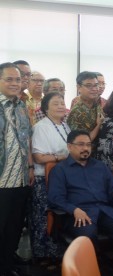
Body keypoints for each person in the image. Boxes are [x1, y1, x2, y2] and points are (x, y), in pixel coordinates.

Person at [48, 130, 113, 276]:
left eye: (88, 145)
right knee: (88, 235)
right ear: (70, 147)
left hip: (104, 210)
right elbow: (55, 198)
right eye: (81, 144)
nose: (86, 148)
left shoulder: (99, 166)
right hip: (78, 214)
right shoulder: (60, 170)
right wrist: (74, 209)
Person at [0, 62, 34, 276]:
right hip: (1, 180)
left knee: (14, 226)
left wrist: (30, 166)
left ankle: (6, 264)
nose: (15, 83)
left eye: (18, 79)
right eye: (9, 79)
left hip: (20, 177)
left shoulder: (22, 106)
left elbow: (27, 138)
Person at [30, 92, 69, 267]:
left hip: (61, 179)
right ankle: (41, 255)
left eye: (62, 103)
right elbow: (38, 157)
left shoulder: (66, 126)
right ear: (46, 108)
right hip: (43, 179)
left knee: (58, 218)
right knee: (42, 217)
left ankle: (56, 253)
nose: (61, 106)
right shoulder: (41, 127)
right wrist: (61, 157)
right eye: (56, 104)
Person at [67, 71, 103, 141]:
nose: (94, 89)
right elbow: (82, 141)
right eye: (89, 86)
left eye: (96, 85)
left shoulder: (97, 104)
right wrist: (98, 125)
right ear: (79, 87)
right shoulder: (76, 112)